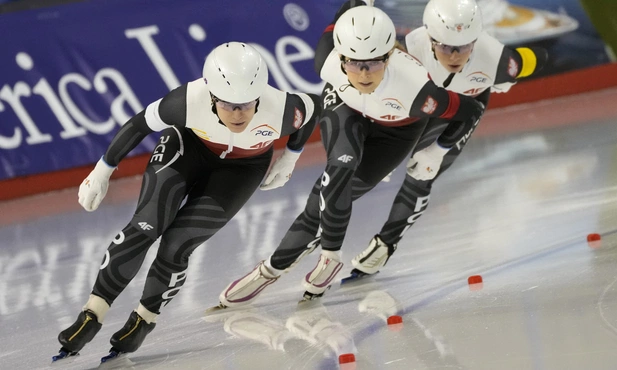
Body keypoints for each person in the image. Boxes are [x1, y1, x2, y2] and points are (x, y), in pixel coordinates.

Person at [52, 42, 321, 361]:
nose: (238, 114)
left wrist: (290, 157)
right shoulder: (186, 101)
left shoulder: (281, 108)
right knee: (145, 226)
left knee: (178, 244)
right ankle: (91, 315)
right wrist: (102, 170)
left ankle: (143, 320)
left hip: (242, 169)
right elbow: (139, 124)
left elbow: (314, 109)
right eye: (227, 104)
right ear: (211, 95)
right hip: (187, 149)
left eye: (247, 105)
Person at [213, 1, 485, 308]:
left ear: (389, 56)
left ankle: (274, 267)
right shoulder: (326, 60)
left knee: (319, 203)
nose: (365, 74)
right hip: (346, 110)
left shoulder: (419, 92)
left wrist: (438, 150)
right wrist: (290, 155)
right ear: (340, 56)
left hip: (396, 133)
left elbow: (472, 111)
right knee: (339, 169)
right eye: (354, 63)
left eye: (375, 63)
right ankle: (326, 259)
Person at [348, 0, 548, 279]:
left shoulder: (498, 60)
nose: (454, 56)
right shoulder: (410, 51)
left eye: (464, 46)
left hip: (462, 110)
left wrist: (438, 151)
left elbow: (538, 58)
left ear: (476, 40)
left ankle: (386, 243)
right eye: (444, 46)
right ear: (429, 38)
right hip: (421, 105)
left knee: (422, 173)